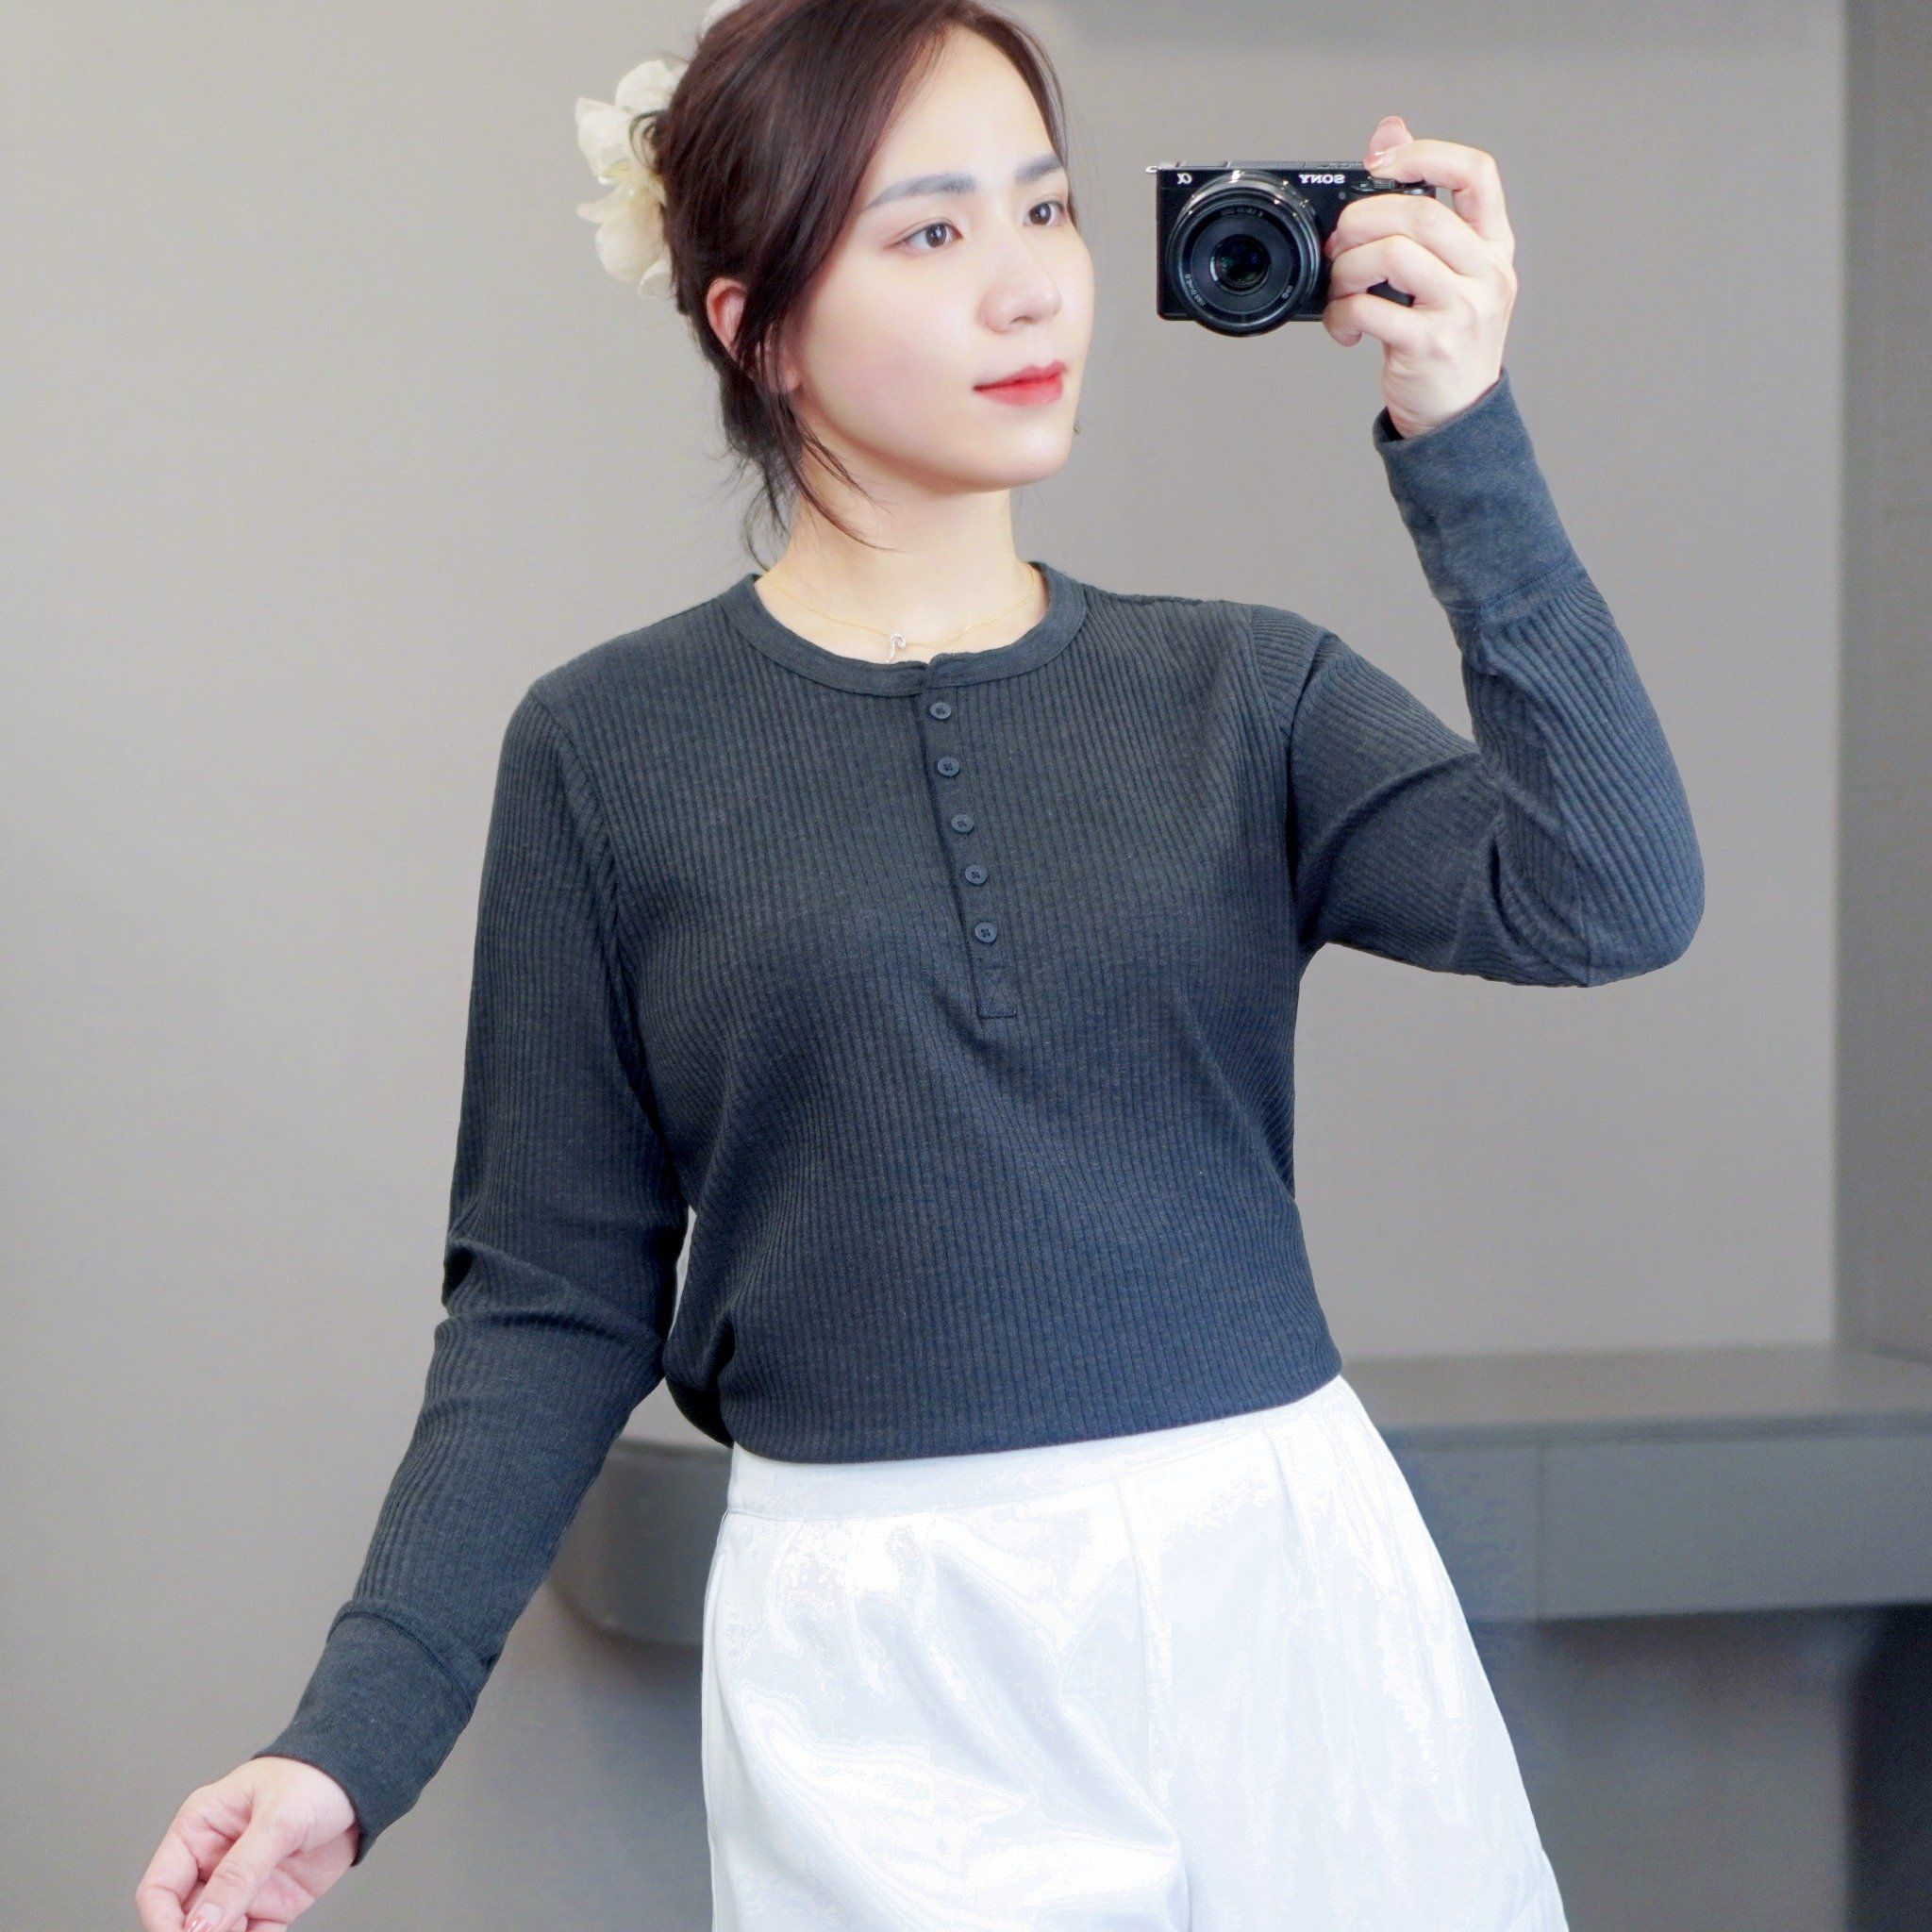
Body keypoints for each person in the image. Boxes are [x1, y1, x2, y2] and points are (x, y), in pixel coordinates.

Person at [137, 1, 1704, 1926]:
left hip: (1281, 1609)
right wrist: (343, 1749)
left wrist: (1461, 431)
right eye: (931, 230)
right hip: (880, 1667)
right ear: (758, 328)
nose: (1025, 285)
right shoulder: (606, 750)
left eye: (1044, 211)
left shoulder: (1243, 691)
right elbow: (546, 1304)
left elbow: (1607, 892)